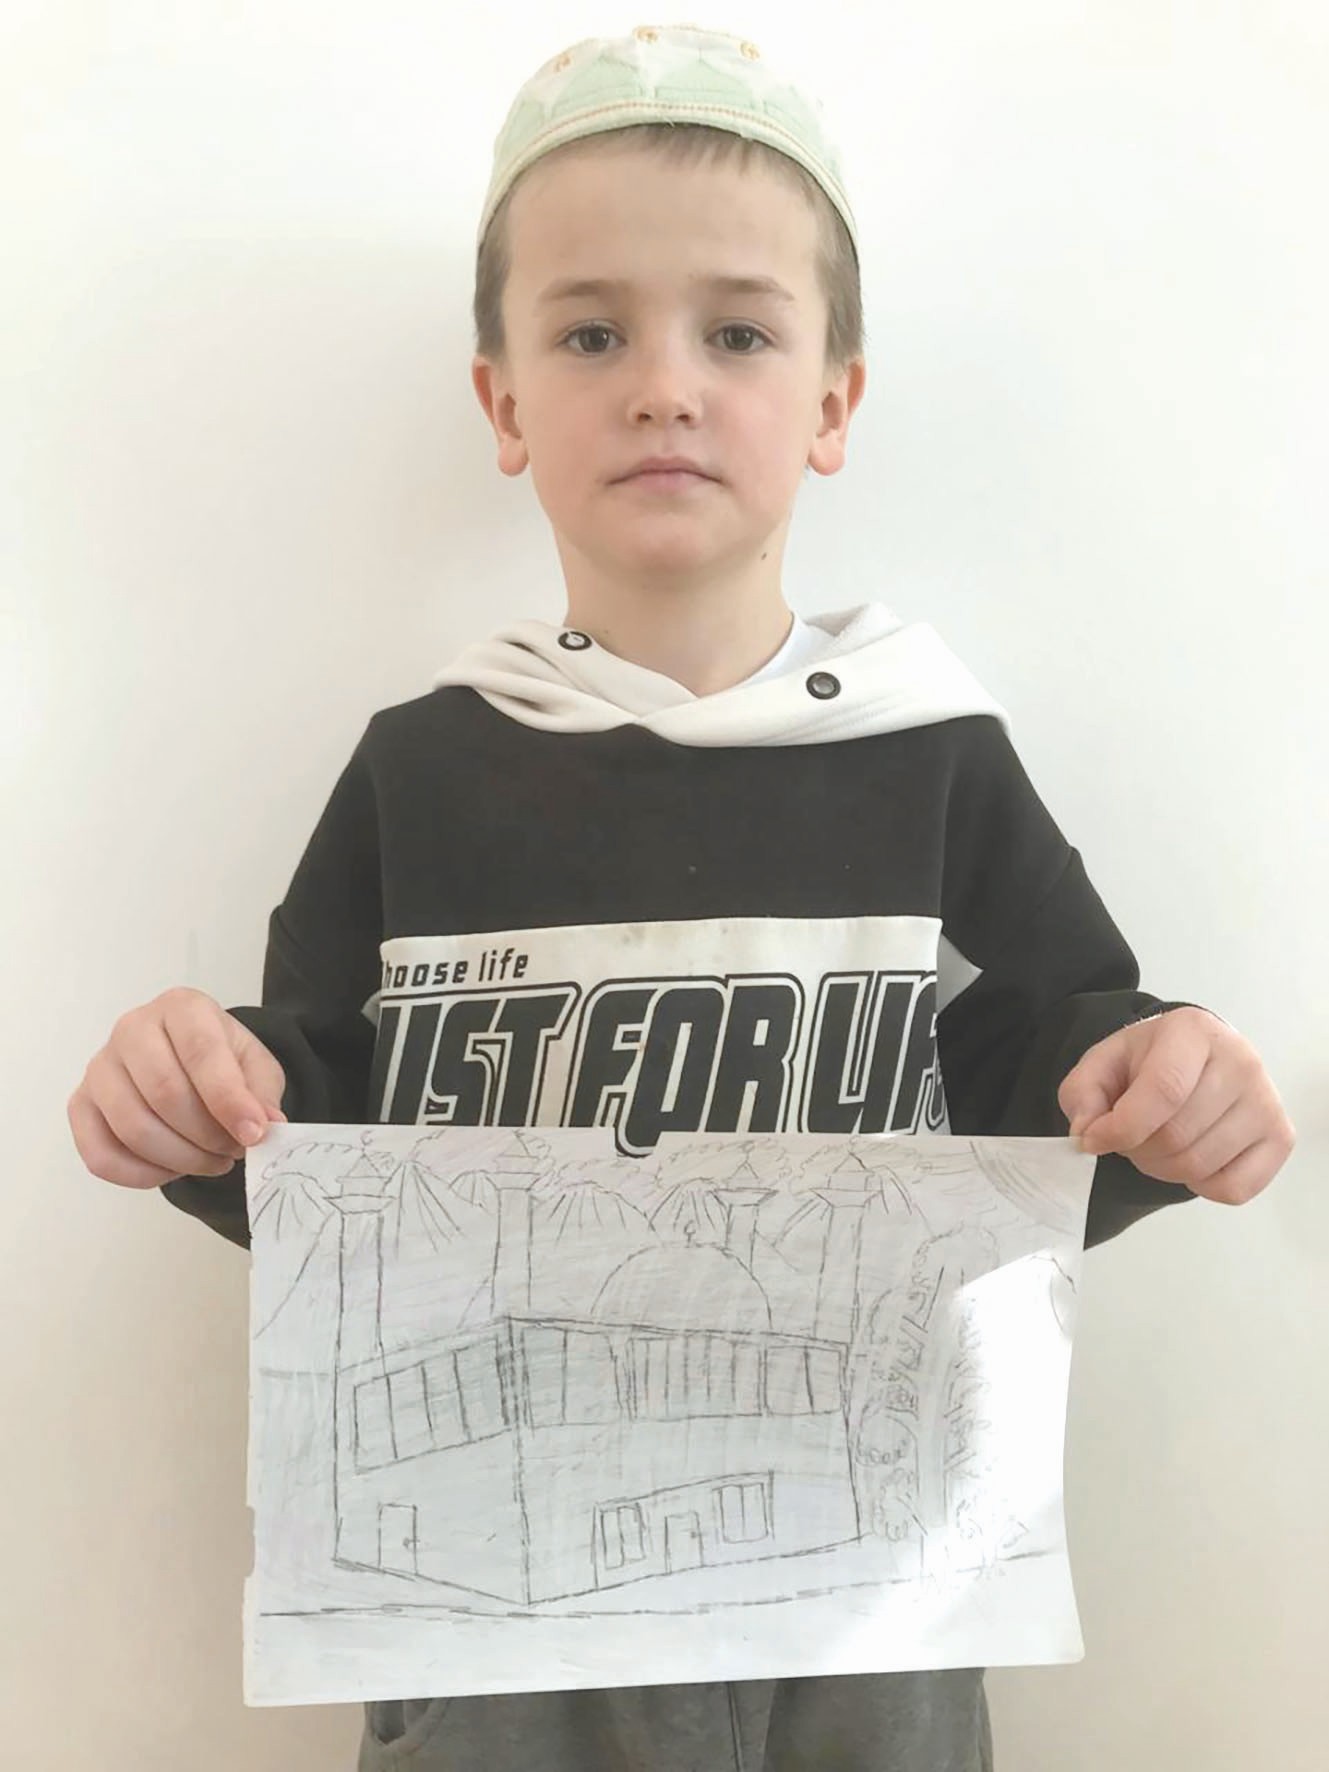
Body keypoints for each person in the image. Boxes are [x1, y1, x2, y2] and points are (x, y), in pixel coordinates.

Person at [67, 23, 1295, 1772]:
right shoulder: (419, 770)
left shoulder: (933, 755)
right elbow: (316, 1135)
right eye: (591, 333)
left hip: (864, 1600)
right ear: (503, 402)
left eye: (736, 332)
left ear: (833, 401)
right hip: (491, 1618)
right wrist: (197, 1102)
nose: (663, 385)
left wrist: (1167, 1081)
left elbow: (1056, 1087)